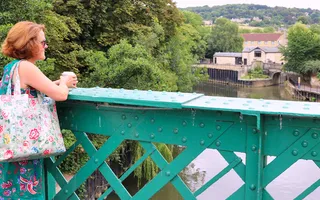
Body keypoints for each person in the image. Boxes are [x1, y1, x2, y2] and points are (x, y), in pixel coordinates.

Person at [0, 21, 77, 199]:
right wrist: (64, 83)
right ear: (30, 43)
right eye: (43, 42)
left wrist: (57, 84)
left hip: (14, 143)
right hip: (25, 149)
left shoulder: (11, 67)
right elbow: (60, 95)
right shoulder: (27, 67)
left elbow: (31, 90)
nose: (46, 46)